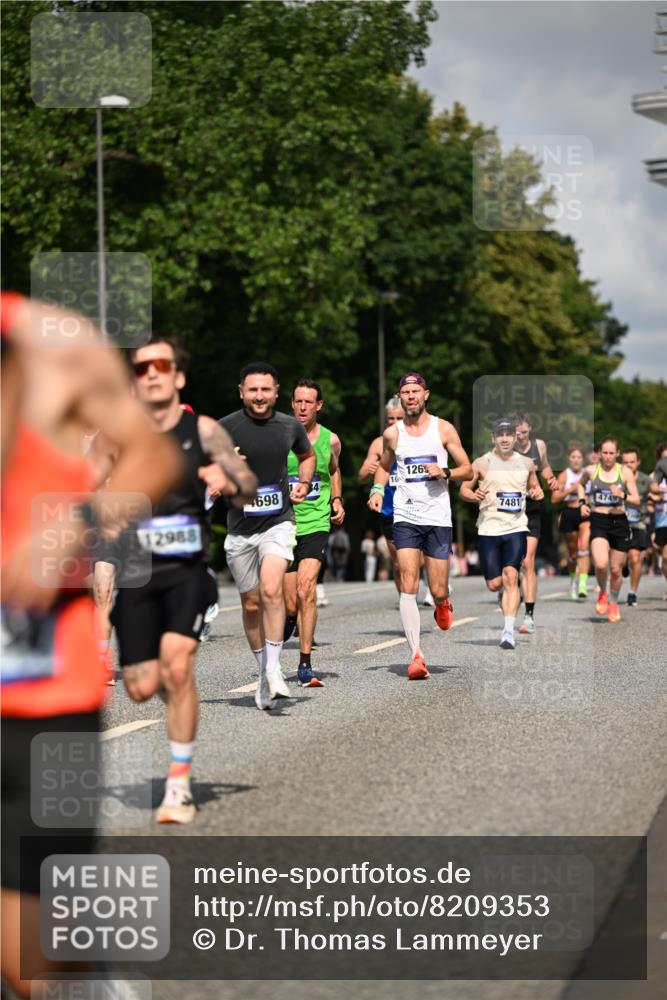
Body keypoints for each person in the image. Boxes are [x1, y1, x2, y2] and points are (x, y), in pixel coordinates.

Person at [1, 294, 183, 997]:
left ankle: (85, 973)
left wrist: (70, 524)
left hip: (35, 687)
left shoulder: (56, 344)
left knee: (28, 964)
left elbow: (149, 452)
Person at [112, 334, 257, 823]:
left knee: (177, 667)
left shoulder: (206, 431)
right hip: (135, 573)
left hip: (186, 571)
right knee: (139, 685)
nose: (150, 373)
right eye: (139, 368)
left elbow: (249, 485)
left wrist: (227, 479)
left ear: (177, 377)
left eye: (160, 365)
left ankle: (179, 785)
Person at [220, 362, 315, 709]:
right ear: (241, 391)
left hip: (278, 521)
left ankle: (275, 670)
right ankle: (263, 671)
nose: (259, 396)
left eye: (265, 390)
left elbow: (306, 456)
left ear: (276, 392)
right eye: (252, 390)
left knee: (273, 588)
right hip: (239, 529)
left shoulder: (289, 426)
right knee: (251, 603)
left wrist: (303, 483)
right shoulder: (225, 428)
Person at [368, 372, 472, 680]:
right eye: (405, 392)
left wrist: (445, 471)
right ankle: (416, 655)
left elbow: (467, 469)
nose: (411, 396)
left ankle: (443, 602)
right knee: (408, 581)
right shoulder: (393, 435)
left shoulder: (443, 429)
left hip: (438, 517)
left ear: (426, 395)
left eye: (416, 391)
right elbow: (384, 466)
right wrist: (376, 490)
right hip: (405, 516)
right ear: (400, 398)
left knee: (437, 588)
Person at [283, 378, 344, 687]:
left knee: (306, 590)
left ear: (319, 405)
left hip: (315, 523)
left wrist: (336, 499)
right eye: (298, 401)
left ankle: (305, 663)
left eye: (309, 402)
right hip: (282, 524)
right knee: (290, 602)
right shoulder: (279, 437)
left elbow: (333, 470)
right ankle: (289, 618)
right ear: (292, 404)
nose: (303, 406)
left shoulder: (330, 440)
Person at [461, 418, 543, 648]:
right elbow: (464, 489)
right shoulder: (481, 463)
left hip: (516, 527)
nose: (505, 439)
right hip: (488, 528)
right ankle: (504, 592)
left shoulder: (527, 463)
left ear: (516, 437)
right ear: (493, 438)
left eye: (509, 434)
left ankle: (508, 632)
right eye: (501, 435)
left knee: (510, 576)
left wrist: (537, 493)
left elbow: (535, 486)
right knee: (494, 583)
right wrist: (472, 494)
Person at [579, 436, 639, 623]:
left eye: (611, 453)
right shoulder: (591, 470)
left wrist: (621, 494)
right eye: (604, 452)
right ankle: (603, 593)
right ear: (599, 453)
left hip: (619, 521)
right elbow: (580, 485)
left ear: (617, 454)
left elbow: (636, 500)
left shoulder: (625, 472)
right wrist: (582, 503)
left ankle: (613, 602)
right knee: (601, 563)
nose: (607, 456)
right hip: (599, 520)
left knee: (615, 569)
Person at [508, 412, 558, 634]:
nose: (520, 437)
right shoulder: (505, 447)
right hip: (509, 508)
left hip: (533, 509)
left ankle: (528, 615)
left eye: (524, 432)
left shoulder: (539, 445)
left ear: (530, 429)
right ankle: (510, 589)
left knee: (528, 561)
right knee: (511, 562)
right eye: (516, 433)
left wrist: (550, 479)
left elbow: (544, 466)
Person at [359, 396, 405, 592]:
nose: (394, 423)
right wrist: (368, 470)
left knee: (418, 557)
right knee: (397, 561)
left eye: (399, 418)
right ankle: (406, 600)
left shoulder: (418, 440)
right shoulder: (379, 444)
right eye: (390, 419)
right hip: (389, 509)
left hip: (416, 505)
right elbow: (361, 477)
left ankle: (431, 582)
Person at [551, 442, 590, 600]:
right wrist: (570, 489)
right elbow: (554, 498)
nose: (576, 460)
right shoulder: (564, 475)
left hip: (585, 512)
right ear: (569, 459)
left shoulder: (588, 474)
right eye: (573, 457)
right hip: (569, 512)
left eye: (579, 457)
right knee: (573, 553)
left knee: (584, 546)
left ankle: (583, 583)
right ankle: (573, 579)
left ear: (583, 459)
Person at [621, 447, 653, 606]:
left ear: (638, 462)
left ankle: (632, 592)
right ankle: (623, 566)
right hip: (619, 524)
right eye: (625, 462)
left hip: (638, 524)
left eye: (632, 462)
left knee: (636, 557)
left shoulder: (646, 480)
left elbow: (656, 492)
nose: (628, 465)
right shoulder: (617, 478)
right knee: (620, 560)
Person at [649, 442, 667, 599]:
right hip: (661, 520)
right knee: (665, 560)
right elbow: (650, 494)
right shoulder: (655, 476)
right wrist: (661, 492)